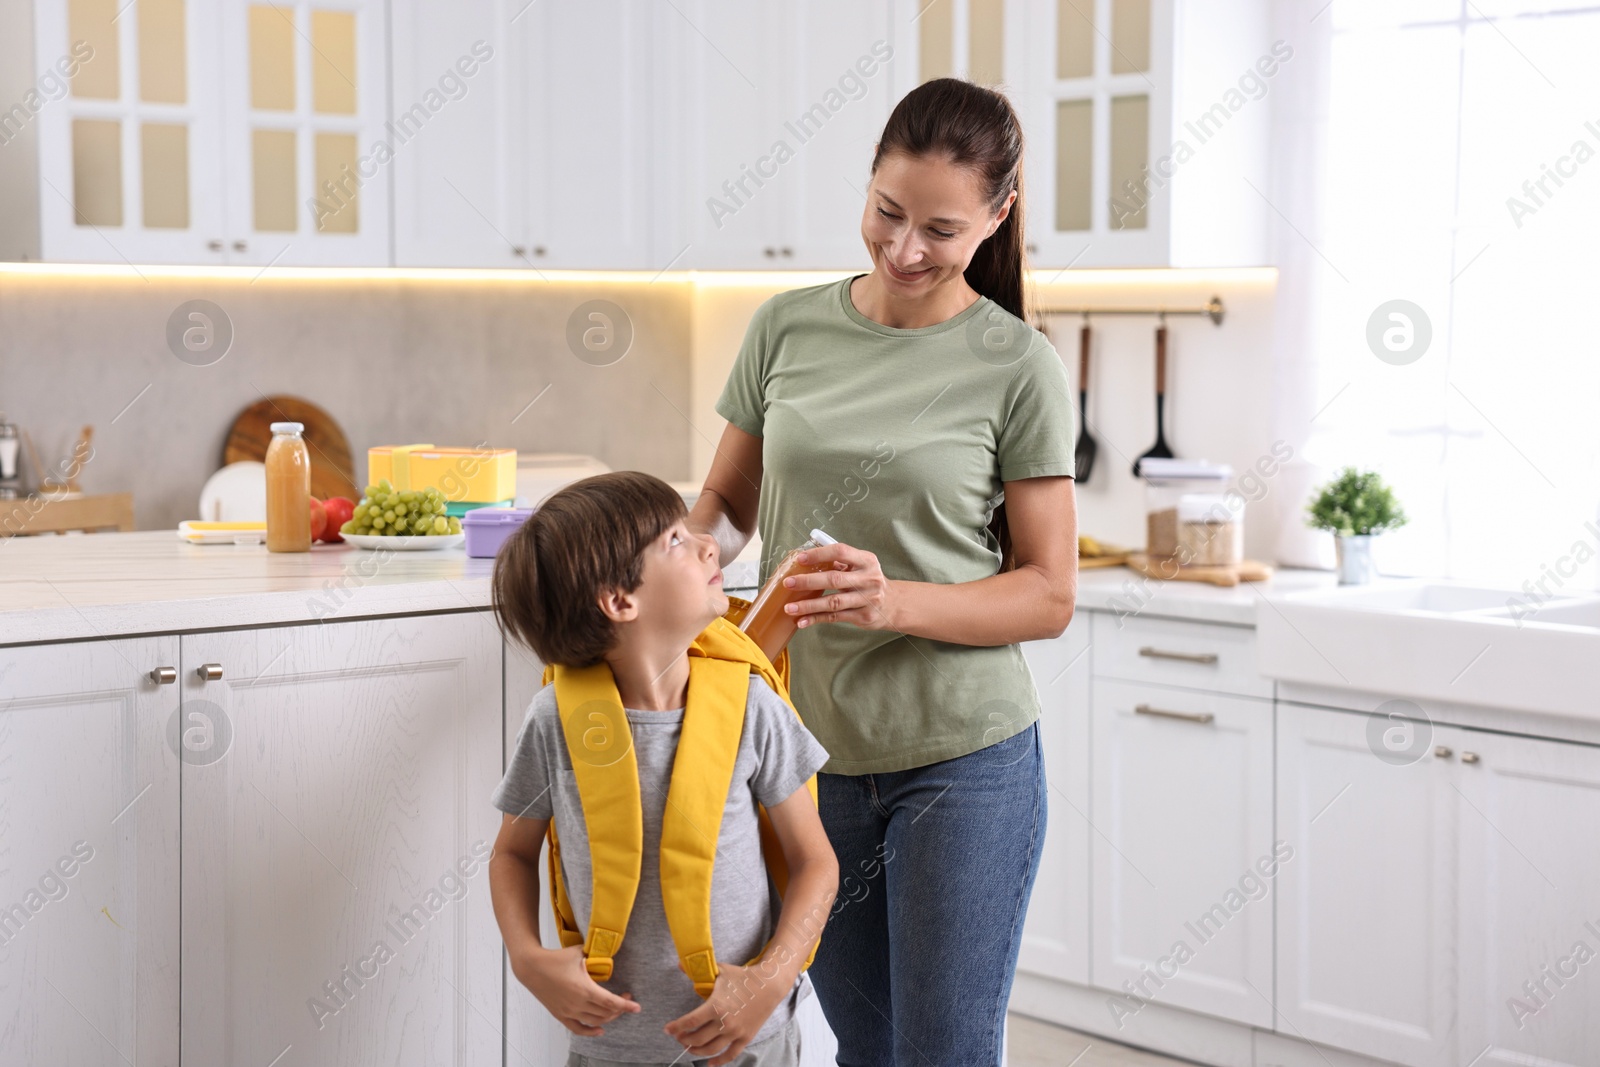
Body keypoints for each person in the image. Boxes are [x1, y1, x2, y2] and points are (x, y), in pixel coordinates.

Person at [688, 77, 1079, 1065]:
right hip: (805, 759)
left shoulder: (1017, 364)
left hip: (960, 757)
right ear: (866, 187)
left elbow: (1049, 590)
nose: (906, 249)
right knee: (864, 1046)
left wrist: (887, 597)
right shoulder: (784, 327)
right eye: (887, 214)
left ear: (996, 217)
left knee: (941, 1051)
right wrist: (667, 561)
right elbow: (725, 510)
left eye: (941, 230)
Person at [486, 471, 840, 1067]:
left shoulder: (754, 708)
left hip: (746, 1042)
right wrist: (526, 958)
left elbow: (817, 864)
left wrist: (772, 980)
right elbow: (511, 854)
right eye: (675, 540)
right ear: (620, 601)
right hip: (610, 1052)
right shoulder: (555, 721)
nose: (706, 543)